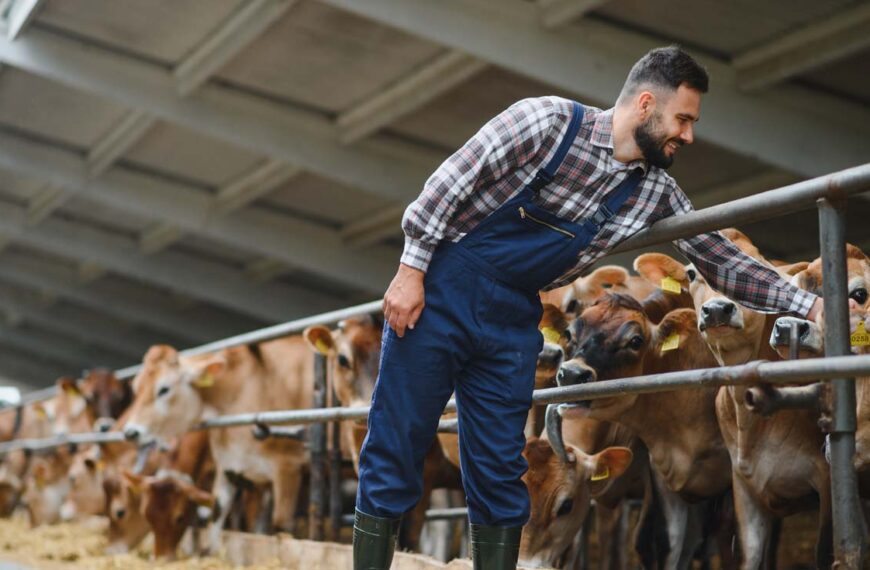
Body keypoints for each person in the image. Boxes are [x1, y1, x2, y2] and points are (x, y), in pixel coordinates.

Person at [352, 45, 822, 570]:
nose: (688, 135)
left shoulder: (655, 193)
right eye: (683, 119)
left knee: (500, 468)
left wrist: (808, 303)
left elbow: (723, 260)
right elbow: (444, 187)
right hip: (442, 294)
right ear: (646, 104)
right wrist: (411, 271)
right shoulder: (545, 122)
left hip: (513, 319)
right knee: (398, 442)